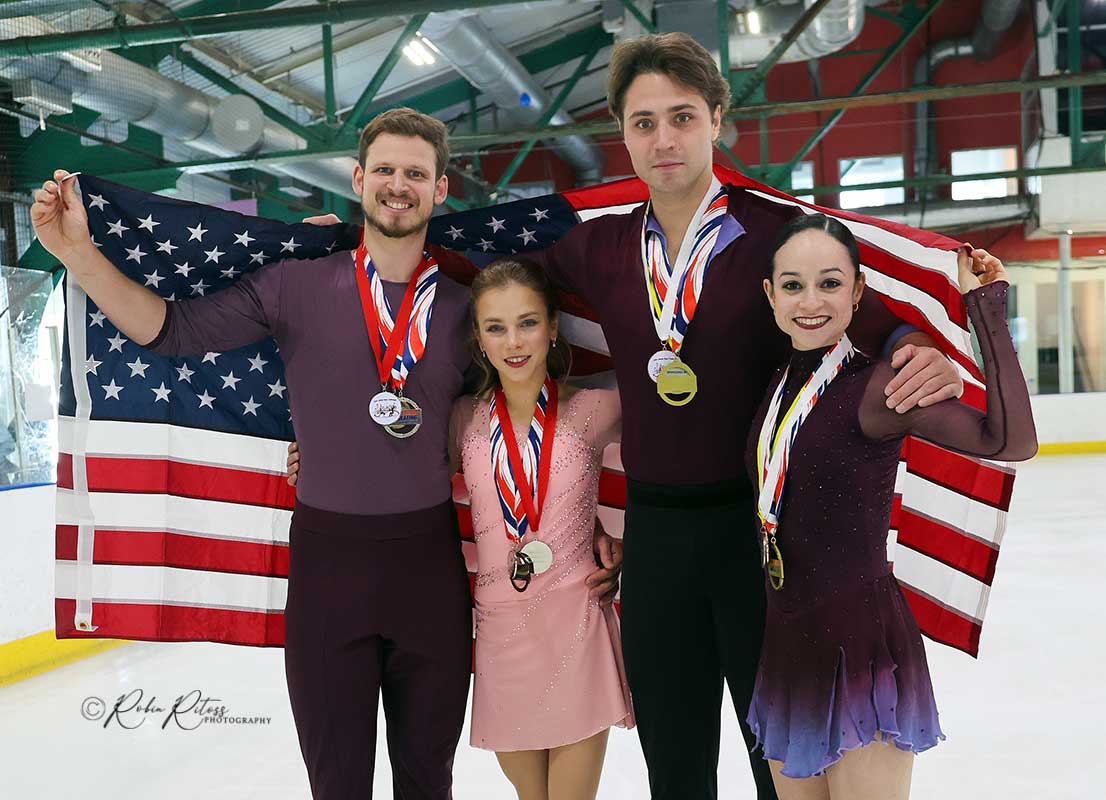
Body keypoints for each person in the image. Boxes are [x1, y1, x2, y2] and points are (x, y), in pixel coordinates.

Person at [291, 33, 963, 799]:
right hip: (657, 543)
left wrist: (913, 345)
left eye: (682, 117)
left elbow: (860, 310)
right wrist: (353, 239)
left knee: (775, 766)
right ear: (623, 133)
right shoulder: (601, 247)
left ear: (716, 119)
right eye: (644, 122)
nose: (664, 139)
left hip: (755, 539)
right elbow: (484, 268)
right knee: (674, 769)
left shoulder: (772, 232)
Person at [29, 107, 619, 800]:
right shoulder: (294, 286)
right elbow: (170, 330)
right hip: (327, 574)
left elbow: (518, 421)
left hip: (427, 573)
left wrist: (586, 526)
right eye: (386, 170)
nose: (398, 185)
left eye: (416, 174)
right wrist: (78, 255)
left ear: (439, 189)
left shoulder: (469, 309)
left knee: (427, 782)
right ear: (359, 179)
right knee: (336, 784)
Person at [746, 214, 1037, 799]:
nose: (811, 302)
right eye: (794, 285)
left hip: (861, 642)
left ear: (857, 292)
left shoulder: (876, 387)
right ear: (770, 295)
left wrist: (986, 309)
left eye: (830, 283)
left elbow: (1010, 441)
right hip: (787, 640)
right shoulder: (775, 385)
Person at [455, 257, 633, 799]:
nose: (514, 341)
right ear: (479, 339)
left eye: (528, 322)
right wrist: (311, 458)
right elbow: (384, 458)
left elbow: (680, 445)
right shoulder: (460, 418)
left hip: (576, 620)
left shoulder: (597, 408)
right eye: (496, 327)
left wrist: (630, 544)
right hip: (501, 631)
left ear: (553, 327)